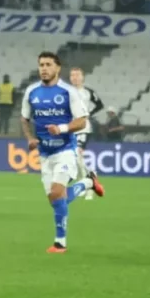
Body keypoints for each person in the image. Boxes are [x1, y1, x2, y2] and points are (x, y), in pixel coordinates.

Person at [20, 52, 106, 253]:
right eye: (41, 64)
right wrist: (30, 138)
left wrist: (62, 128)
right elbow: (24, 118)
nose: (44, 68)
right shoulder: (31, 91)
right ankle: (88, 182)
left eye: (48, 64)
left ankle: (60, 243)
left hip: (65, 149)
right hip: (44, 153)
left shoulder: (69, 92)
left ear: (57, 68)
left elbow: (82, 121)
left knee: (58, 192)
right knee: (56, 200)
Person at [68, 67, 104, 199]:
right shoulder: (66, 92)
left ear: (82, 77)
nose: (75, 78)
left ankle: (88, 185)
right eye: (73, 75)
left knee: (77, 155)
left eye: (77, 75)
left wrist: (89, 114)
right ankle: (88, 181)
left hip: (83, 128)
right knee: (75, 159)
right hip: (70, 128)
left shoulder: (88, 92)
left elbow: (99, 105)